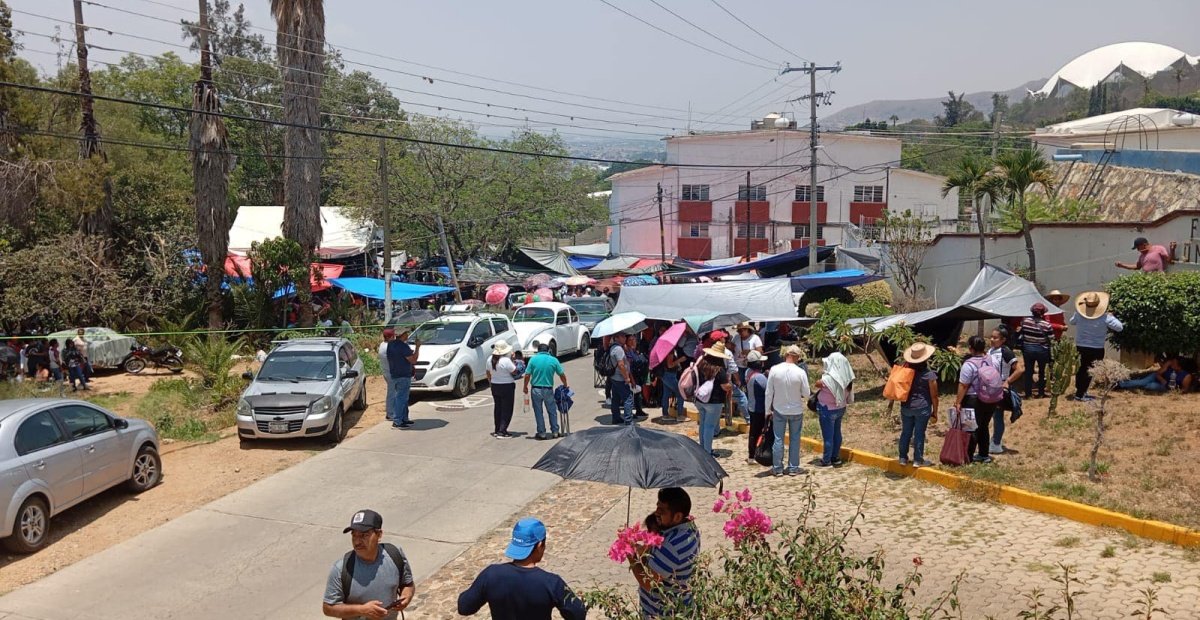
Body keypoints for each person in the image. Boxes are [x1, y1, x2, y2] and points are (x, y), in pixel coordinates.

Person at [457, 517, 586, 620]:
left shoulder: (491, 574)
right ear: (540, 545)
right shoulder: (551, 582)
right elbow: (578, 614)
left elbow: (464, 607)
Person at [322, 509, 415, 620]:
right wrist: (362, 610)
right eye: (354, 536)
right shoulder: (341, 569)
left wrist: (406, 597)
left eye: (364, 535)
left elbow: (408, 584)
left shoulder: (395, 554)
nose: (357, 542)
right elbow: (328, 608)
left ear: (379, 535)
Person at [630, 488, 700, 619]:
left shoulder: (672, 546)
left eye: (662, 511)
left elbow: (649, 583)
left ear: (678, 516)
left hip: (665, 613)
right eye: (657, 507)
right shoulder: (690, 527)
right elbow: (658, 561)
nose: (657, 512)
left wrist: (630, 553)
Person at [1069, 292, 1123, 402]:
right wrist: (1112, 316)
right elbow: (1119, 327)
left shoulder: (1079, 314)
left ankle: (1080, 392)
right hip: (1096, 348)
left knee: (1081, 369)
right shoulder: (1105, 317)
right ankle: (1081, 394)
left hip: (1080, 346)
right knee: (1090, 371)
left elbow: (1071, 322)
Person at [764, 344, 810, 476]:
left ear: (786, 355)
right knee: (795, 439)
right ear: (798, 357)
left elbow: (769, 392)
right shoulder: (800, 372)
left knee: (778, 439)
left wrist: (767, 410)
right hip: (796, 410)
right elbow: (806, 393)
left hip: (779, 409)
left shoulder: (774, 369)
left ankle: (777, 468)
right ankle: (793, 468)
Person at [955, 336, 999, 463]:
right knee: (984, 426)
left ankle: (968, 456)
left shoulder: (968, 365)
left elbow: (963, 385)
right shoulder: (992, 360)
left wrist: (958, 402)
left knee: (971, 428)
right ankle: (984, 455)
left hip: (973, 399)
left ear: (970, 348)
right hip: (991, 398)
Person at [898, 343, 938, 467]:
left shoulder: (905, 372)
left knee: (906, 432)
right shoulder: (929, 375)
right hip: (922, 407)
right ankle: (917, 459)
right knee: (919, 433)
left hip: (906, 406)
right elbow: (934, 396)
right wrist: (935, 412)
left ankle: (902, 458)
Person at [813, 352, 855, 468]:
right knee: (837, 433)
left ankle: (826, 460)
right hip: (840, 408)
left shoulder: (827, 379)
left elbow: (817, 384)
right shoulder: (848, 377)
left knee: (828, 436)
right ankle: (835, 457)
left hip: (827, 409)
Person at [987, 326, 1023, 455]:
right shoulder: (991, 350)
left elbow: (1019, 369)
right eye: (991, 337)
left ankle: (996, 443)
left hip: (999, 388)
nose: (992, 339)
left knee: (997, 415)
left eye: (995, 338)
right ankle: (994, 440)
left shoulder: (1006, 352)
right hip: (989, 388)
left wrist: (1007, 381)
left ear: (1003, 340)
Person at [693, 341, 733, 457]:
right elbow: (725, 386)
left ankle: (702, 448)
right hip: (714, 402)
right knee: (710, 426)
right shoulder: (719, 370)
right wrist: (730, 385)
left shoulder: (701, 364)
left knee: (703, 424)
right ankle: (707, 451)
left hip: (700, 399)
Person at [524, 342, 569, 440]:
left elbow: (527, 375)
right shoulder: (553, 360)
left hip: (536, 389)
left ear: (538, 351)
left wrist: (525, 386)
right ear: (548, 350)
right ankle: (555, 431)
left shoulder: (533, 359)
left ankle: (542, 433)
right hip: (548, 389)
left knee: (538, 411)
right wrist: (565, 385)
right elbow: (561, 374)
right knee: (552, 411)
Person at [1019, 304, 1055, 399]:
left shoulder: (1025, 321)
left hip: (1028, 349)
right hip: (1042, 350)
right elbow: (1052, 339)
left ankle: (1028, 394)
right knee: (1042, 372)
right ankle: (1041, 393)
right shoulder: (1047, 325)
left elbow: (1022, 333)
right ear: (1043, 313)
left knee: (1029, 372)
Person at [386, 328, 420, 429]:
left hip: (395, 374)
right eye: (406, 333)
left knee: (403, 397)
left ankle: (404, 418)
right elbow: (413, 360)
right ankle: (397, 420)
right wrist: (418, 347)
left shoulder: (391, 344)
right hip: (403, 375)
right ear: (403, 335)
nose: (407, 335)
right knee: (401, 398)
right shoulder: (403, 346)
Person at [1115, 354, 1195, 393]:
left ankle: (1133, 385)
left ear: (1179, 367)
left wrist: (1173, 392)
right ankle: (1120, 384)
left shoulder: (1186, 376)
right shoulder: (1169, 364)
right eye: (1172, 362)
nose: (1172, 364)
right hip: (1158, 377)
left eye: (1174, 363)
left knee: (1149, 386)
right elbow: (1158, 373)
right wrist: (1163, 376)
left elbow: (1185, 389)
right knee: (1142, 382)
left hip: (1167, 386)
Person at [487, 342, 518, 439]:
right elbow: (515, 371)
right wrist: (513, 360)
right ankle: (502, 430)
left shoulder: (489, 359)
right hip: (507, 386)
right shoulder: (506, 360)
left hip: (495, 385)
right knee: (507, 409)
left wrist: (490, 382)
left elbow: (488, 372)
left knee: (498, 408)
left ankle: (497, 429)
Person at [743, 350, 769, 466]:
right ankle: (758, 453)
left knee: (753, 432)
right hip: (760, 408)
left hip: (751, 406)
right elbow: (768, 390)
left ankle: (751, 455)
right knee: (761, 431)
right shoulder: (760, 378)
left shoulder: (748, 372)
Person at [656, 336, 685, 423]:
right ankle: (680, 415)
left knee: (666, 394)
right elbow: (670, 365)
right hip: (670, 375)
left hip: (665, 375)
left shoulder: (665, 349)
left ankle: (665, 414)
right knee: (680, 393)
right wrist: (680, 360)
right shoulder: (670, 351)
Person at [608, 334, 635, 425]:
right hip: (620, 378)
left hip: (614, 377)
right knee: (628, 399)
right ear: (616, 337)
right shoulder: (618, 349)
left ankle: (616, 417)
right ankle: (628, 421)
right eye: (622, 336)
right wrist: (626, 377)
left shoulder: (613, 347)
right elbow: (621, 365)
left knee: (615, 398)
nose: (624, 338)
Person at [378, 329, 395, 422]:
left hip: (386, 371)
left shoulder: (382, 344)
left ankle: (392, 412)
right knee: (392, 393)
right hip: (391, 373)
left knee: (392, 393)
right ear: (389, 337)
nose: (394, 337)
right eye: (393, 336)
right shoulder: (388, 347)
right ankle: (390, 414)